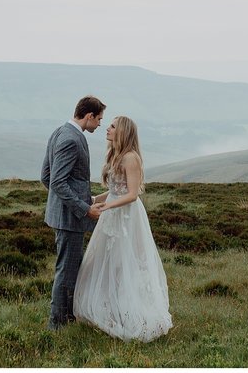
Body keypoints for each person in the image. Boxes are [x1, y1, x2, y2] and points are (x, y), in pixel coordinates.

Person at [73, 115, 172, 342]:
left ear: (123, 132)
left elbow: (132, 194)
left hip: (127, 217)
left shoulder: (130, 158)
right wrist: (93, 199)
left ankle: (130, 311)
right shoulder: (116, 155)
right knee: (107, 261)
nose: (106, 128)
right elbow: (116, 190)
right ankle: (110, 307)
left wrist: (107, 206)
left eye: (112, 126)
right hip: (113, 213)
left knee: (126, 261)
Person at [41, 95, 106, 331]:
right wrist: (84, 208)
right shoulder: (71, 138)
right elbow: (57, 181)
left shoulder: (59, 131)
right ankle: (57, 325)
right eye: (98, 119)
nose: (99, 125)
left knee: (70, 268)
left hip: (64, 215)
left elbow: (46, 176)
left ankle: (68, 317)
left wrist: (62, 203)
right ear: (88, 116)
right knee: (66, 271)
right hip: (71, 218)